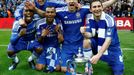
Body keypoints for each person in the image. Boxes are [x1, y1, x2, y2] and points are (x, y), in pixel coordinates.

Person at [56, 0, 117, 73]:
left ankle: (86, 65)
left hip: (80, 44)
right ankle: (75, 65)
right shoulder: (59, 11)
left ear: (77, 1)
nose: (71, 1)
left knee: (83, 67)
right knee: (64, 69)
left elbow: (101, 5)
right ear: (65, 1)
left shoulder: (83, 9)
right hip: (67, 45)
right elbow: (46, 13)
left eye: (74, 0)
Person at [80, 0, 124, 75]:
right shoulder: (89, 19)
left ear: (102, 7)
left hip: (112, 48)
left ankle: (117, 56)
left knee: (118, 72)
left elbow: (108, 40)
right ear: (90, 10)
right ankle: (88, 65)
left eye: (99, 6)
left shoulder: (109, 19)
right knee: (86, 41)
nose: (97, 9)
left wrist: (98, 55)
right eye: (94, 7)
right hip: (97, 45)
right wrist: (84, 33)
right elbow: (90, 35)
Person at [7, 6, 42, 70]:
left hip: (31, 41)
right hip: (21, 41)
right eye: (26, 11)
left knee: (40, 48)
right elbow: (12, 41)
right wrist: (19, 35)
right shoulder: (17, 23)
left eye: (30, 11)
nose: (28, 13)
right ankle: (15, 61)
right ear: (23, 12)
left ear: (33, 12)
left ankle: (30, 60)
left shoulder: (37, 20)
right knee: (10, 51)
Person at [34, 6, 63, 72]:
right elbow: (39, 41)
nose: (50, 14)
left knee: (58, 69)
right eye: (48, 12)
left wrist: (58, 33)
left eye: (52, 12)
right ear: (45, 14)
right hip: (44, 46)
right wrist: (42, 36)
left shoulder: (58, 23)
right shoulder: (39, 23)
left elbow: (61, 41)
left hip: (55, 47)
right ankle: (42, 60)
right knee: (39, 68)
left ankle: (52, 61)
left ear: (55, 14)